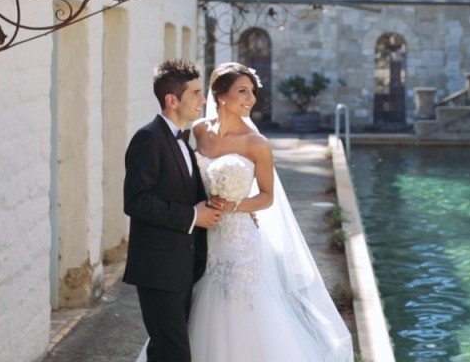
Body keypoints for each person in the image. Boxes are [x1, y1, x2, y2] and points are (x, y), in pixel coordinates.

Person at [187, 62, 354, 361]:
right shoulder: (198, 131)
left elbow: (266, 197)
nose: (251, 98)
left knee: (242, 306)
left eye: (252, 91)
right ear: (221, 96)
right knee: (204, 302)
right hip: (204, 235)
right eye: (242, 91)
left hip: (240, 241)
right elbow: (187, 178)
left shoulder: (257, 144)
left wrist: (236, 206)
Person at [124, 59, 225, 362]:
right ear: (172, 100)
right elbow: (136, 201)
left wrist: (214, 204)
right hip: (158, 270)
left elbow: (181, 193)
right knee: (175, 354)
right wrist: (194, 216)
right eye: (195, 93)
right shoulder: (148, 139)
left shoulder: (182, 140)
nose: (202, 99)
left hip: (182, 268)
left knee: (163, 352)